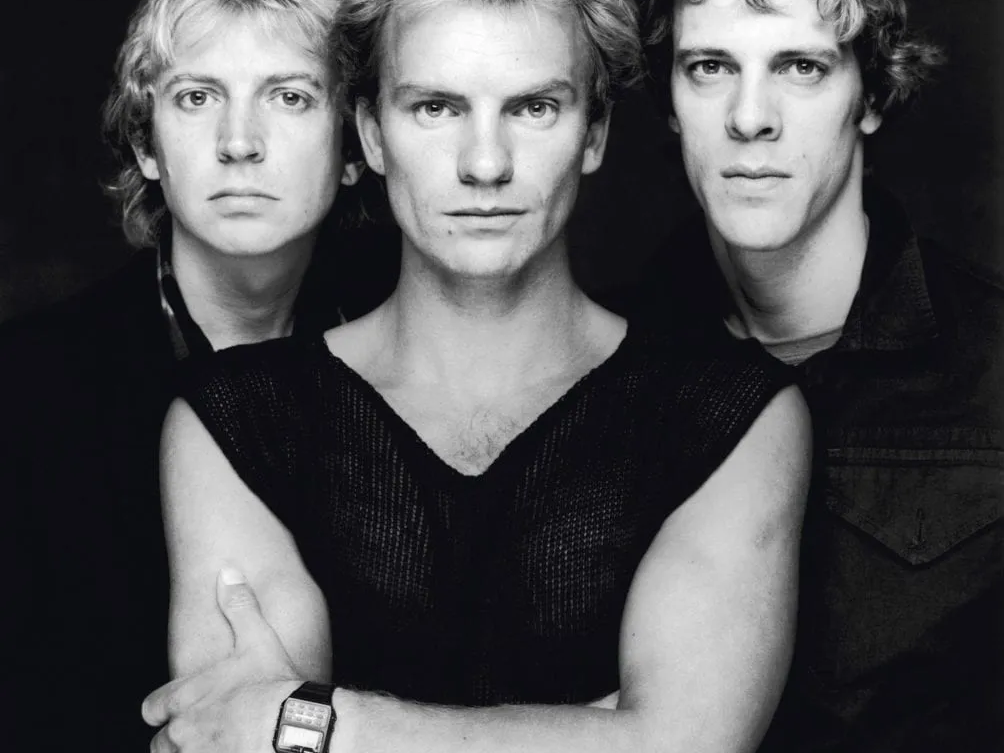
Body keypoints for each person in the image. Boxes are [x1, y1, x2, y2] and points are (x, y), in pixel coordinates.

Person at [140, 1, 812, 751]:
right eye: (435, 107)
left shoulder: (732, 412)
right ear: (371, 132)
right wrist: (604, 732)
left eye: (533, 107)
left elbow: (686, 747)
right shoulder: (234, 419)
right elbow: (225, 738)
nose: (484, 163)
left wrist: (336, 724)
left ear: (593, 132)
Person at [622, 0, 1003, 749]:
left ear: (871, 94)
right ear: (669, 101)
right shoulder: (599, 365)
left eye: (801, 67)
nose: (750, 117)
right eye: (710, 68)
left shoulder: (994, 372)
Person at [1, 0, 361, 749]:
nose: (239, 143)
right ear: (146, 144)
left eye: (289, 96)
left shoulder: (404, 349)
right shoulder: (26, 389)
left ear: (356, 144)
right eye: (197, 98)